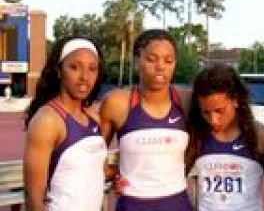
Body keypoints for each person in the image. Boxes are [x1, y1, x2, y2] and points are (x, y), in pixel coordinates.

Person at [100, 29, 192, 211]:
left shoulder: (186, 101)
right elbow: (92, 152)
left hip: (177, 204)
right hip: (133, 204)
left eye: (168, 60)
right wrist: (112, 175)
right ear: (137, 62)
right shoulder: (117, 103)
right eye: (151, 59)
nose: (160, 66)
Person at [24, 36, 106, 211]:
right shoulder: (48, 120)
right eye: (75, 67)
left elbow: (93, 171)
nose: (85, 77)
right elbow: (34, 198)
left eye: (92, 69)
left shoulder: (93, 116)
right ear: (59, 70)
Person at [186, 63, 264, 211]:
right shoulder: (195, 138)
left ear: (236, 100)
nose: (213, 120)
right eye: (206, 112)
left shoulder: (260, 136)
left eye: (220, 111)